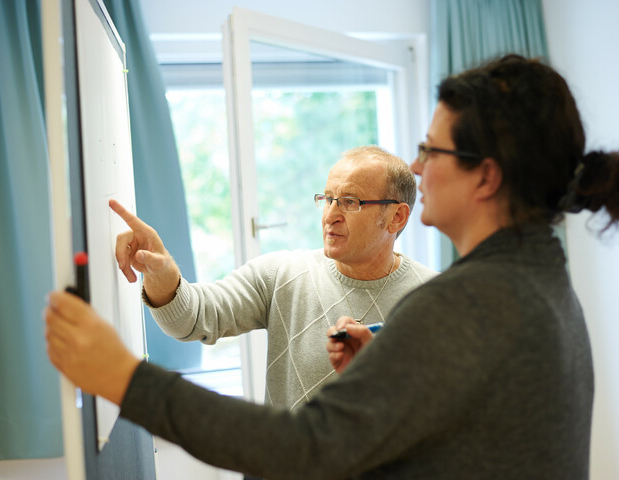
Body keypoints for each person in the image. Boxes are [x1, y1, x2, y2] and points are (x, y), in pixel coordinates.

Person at [45, 55, 619, 479]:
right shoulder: (541, 281)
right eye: (329, 199)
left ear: (486, 177)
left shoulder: (461, 303)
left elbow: (303, 449)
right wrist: (392, 374)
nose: (418, 168)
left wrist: (123, 377)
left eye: (433, 152)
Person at [109, 145, 437, 410]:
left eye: (350, 202)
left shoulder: (435, 298)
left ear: (396, 217)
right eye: (327, 198)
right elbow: (193, 319)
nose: (331, 215)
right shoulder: (282, 274)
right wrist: (161, 272)